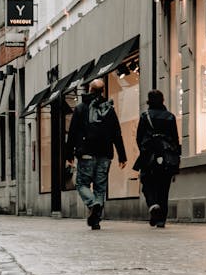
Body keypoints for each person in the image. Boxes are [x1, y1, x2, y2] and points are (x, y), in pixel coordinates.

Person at [64, 79, 128, 230]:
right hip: (105, 154)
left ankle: (93, 204)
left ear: (90, 90)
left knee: (82, 184)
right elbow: (116, 133)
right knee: (100, 187)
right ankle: (96, 220)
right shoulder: (109, 109)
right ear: (103, 91)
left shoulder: (80, 108)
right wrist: (122, 155)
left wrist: (69, 155)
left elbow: (72, 132)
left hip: (86, 153)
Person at [136, 89, 180, 228]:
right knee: (163, 188)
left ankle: (153, 205)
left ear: (149, 101)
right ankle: (161, 220)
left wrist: (144, 150)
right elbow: (175, 139)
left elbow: (139, 138)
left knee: (147, 183)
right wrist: (175, 159)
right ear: (163, 100)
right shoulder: (170, 117)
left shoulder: (145, 116)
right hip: (167, 157)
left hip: (149, 155)